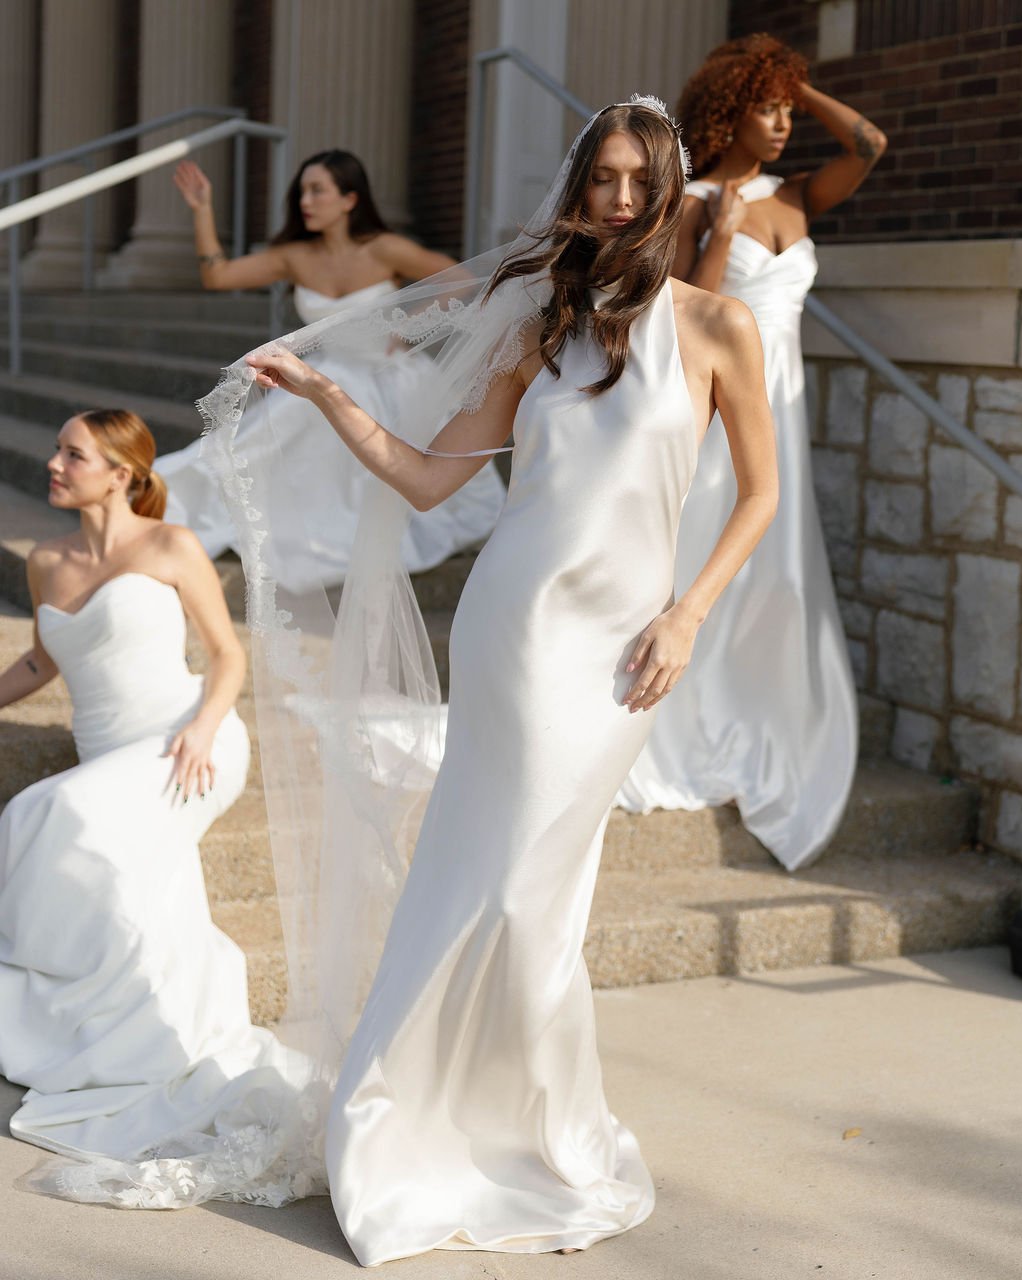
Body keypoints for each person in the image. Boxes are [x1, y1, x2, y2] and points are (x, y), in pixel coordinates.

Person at [238, 95, 778, 1264]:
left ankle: (522, 1129)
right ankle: (417, 1122)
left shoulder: (720, 327)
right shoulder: (546, 324)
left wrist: (688, 612)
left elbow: (760, 495)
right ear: (580, 188)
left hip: (629, 646)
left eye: (642, 180)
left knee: (538, 892)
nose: (621, 199)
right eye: (604, 179)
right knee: (491, 881)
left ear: (672, 188)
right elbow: (433, 480)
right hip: (516, 631)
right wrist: (332, 397)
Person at [0, 409, 312, 1198]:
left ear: (123, 474)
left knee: (41, 814)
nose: (55, 463)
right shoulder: (46, 559)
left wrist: (208, 726)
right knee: (76, 825)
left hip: (188, 744)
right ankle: (96, 1010)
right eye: (58, 448)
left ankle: (74, 1018)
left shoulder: (171, 546)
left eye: (73, 453)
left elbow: (227, 653)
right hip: (111, 760)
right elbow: (39, 660)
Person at [618, 35, 887, 871]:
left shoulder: (799, 194)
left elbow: (870, 145)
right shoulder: (691, 198)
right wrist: (724, 233)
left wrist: (798, 87)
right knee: (700, 550)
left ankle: (758, 705)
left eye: (784, 110)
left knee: (775, 564)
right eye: (764, 106)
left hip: (785, 413)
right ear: (730, 110)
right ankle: (671, 702)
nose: (779, 124)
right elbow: (684, 303)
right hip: (712, 413)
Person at [158, 149, 507, 589]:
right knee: (255, 450)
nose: (306, 200)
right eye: (302, 190)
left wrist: (408, 327)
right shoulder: (294, 255)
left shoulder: (384, 247)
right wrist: (203, 210)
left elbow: (460, 278)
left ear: (349, 199)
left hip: (394, 378)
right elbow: (219, 277)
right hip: (328, 374)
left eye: (317, 190)